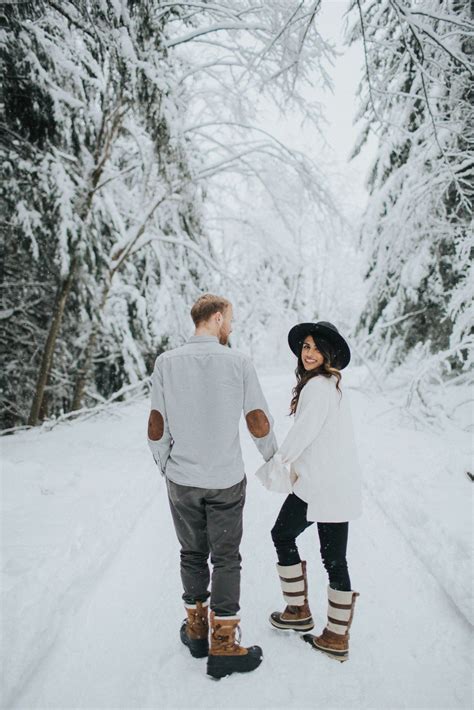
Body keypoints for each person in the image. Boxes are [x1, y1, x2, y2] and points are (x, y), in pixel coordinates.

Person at [147, 293, 278, 679]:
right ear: (218, 318)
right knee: (225, 557)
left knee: (191, 552)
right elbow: (258, 420)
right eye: (231, 320)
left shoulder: (165, 363)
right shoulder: (238, 362)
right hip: (224, 480)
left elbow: (157, 424)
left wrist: (166, 465)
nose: (232, 327)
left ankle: (196, 631)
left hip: (182, 480)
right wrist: (274, 460)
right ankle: (223, 643)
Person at [256, 321, 362, 662]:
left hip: (320, 485)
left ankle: (301, 612)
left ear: (328, 354)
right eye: (305, 347)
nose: (309, 353)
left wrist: (278, 460)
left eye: (316, 348)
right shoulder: (330, 386)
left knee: (283, 534)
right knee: (334, 559)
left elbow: (304, 432)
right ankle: (331, 632)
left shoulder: (317, 387)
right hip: (335, 484)